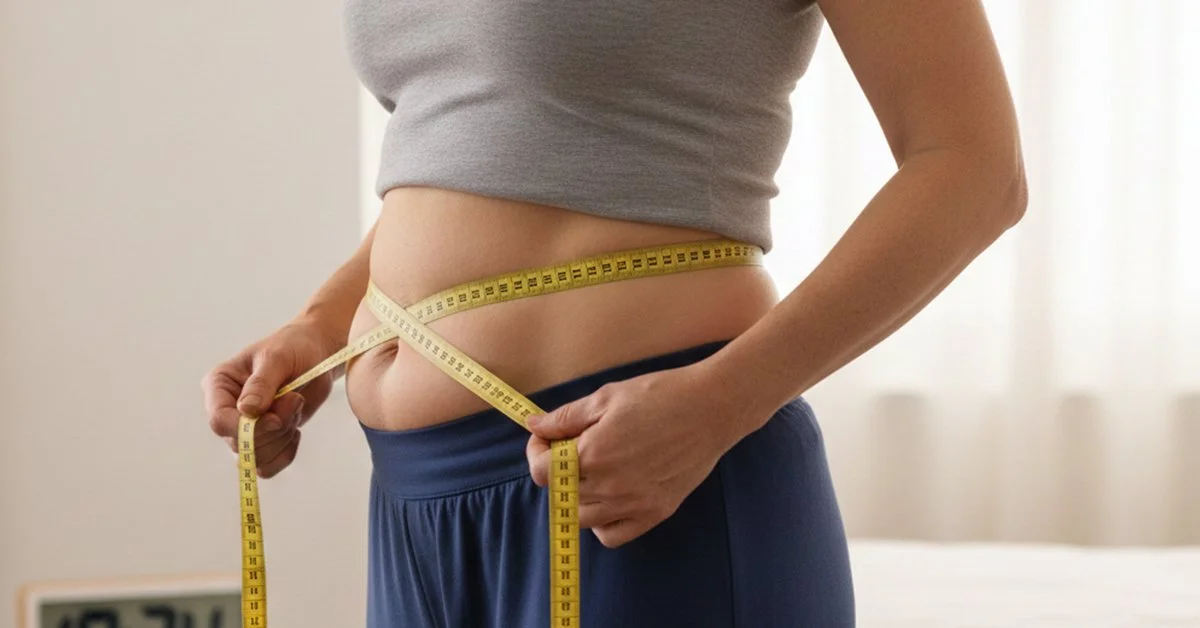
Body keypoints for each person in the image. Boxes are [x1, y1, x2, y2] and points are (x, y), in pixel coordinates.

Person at [201, 0, 1026, 625]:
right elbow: (476, 149)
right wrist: (323, 322)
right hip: (415, 498)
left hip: (648, 475)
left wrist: (721, 405)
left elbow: (975, 167)